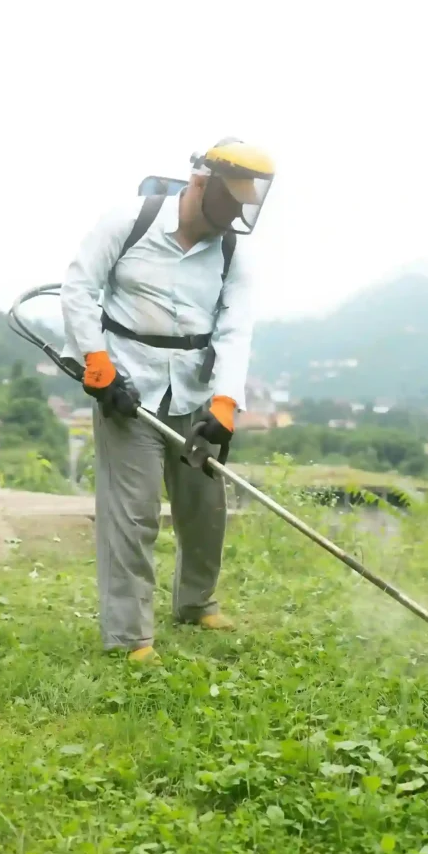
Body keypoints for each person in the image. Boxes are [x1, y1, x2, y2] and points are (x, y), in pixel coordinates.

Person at [60, 138, 275, 665]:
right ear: (201, 183)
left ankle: (196, 602)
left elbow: (235, 331)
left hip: (193, 393)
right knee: (132, 515)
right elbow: (78, 289)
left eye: (244, 206)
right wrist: (97, 362)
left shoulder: (231, 252)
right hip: (127, 390)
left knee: (205, 507)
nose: (235, 216)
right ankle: (131, 637)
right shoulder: (129, 221)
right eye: (230, 202)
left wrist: (225, 404)